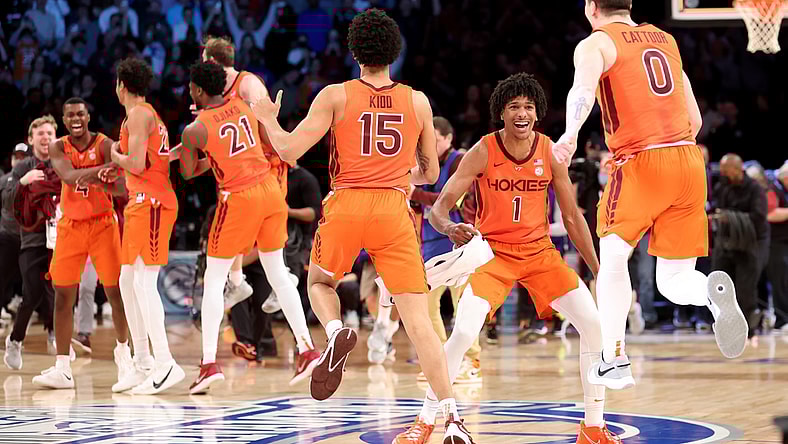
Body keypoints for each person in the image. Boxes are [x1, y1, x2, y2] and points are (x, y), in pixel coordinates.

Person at [252, 9, 473, 443]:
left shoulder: (336, 95)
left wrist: (266, 117)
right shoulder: (417, 100)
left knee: (319, 284)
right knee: (419, 322)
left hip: (347, 203)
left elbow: (290, 150)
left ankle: (336, 333)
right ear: (396, 51)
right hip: (393, 208)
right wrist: (395, 175)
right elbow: (429, 174)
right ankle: (452, 417)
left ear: (354, 52)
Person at [395, 73, 616, 444]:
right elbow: (440, 209)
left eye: (528, 106)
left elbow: (574, 217)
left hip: (540, 254)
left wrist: (599, 270)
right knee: (463, 332)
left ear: (538, 113)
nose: (522, 112)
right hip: (493, 256)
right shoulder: (483, 150)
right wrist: (450, 229)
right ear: (501, 112)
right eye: (514, 106)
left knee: (593, 324)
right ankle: (425, 420)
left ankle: (592, 427)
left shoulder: (549, 152)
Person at [552, 0, 748, 389]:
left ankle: (613, 357)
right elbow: (694, 119)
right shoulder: (665, 40)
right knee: (674, 279)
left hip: (642, 160)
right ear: (629, 5)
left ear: (592, 7)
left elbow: (582, 91)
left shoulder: (597, 42)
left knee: (612, 256)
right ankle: (711, 293)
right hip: (689, 161)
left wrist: (571, 134)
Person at [178, 61, 320, 394]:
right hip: (270, 190)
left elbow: (187, 171)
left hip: (239, 197)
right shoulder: (242, 105)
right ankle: (306, 349)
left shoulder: (194, 129)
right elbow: (256, 146)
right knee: (278, 272)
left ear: (198, 90)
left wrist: (187, 152)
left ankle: (209, 364)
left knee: (213, 279)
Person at [202, 37, 316, 362]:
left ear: (209, 59)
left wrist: (275, 131)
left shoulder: (247, 83)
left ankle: (283, 280)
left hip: (267, 166)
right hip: (239, 173)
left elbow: (265, 112)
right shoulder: (213, 93)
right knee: (240, 237)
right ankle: (242, 281)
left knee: (265, 246)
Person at [31, 97, 132, 389]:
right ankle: (63, 367)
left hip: (102, 224)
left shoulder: (104, 144)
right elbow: (67, 175)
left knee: (115, 292)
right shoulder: (58, 146)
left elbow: (122, 185)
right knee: (63, 296)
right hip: (70, 226)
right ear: (64, 121)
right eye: (70, 115)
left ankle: (124, 355)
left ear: (88, 117)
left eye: (80, 114)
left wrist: (99, 177)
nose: (76, 119)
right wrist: (99, 172)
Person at [106, 57, 185, 394]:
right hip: (142, 202)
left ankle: (165, 363)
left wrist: (115, 156)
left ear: (121, 85)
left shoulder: (139, 114)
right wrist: (122, 168)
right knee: (128, 282)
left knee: (143, 284)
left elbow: (136, 163)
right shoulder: (145, 116)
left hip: (152, 204)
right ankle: (142, 363)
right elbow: (153, 160)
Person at [406, 116, 482, 382]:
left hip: (457, 240)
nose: (429, 144)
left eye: (436, 139)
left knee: (462, 304)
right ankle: (440, 360)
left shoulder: (460, 160)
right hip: (430, 242)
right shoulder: (422, 166)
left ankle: (472, 360)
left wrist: (413, 193)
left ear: (449, 139)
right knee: (426, 306)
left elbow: (450, 200)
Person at [3, 117, 58, 371]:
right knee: (33, 291)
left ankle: (58, 340)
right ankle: (15, 340)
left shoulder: (64, 163)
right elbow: (6, 199)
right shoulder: (22, 167)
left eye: (49, 133)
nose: (45, 137)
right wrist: (25, 182)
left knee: (62, 291)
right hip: (32, 239)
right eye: (40, 134)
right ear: (31, 139)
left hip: (61, 239)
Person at [712, 154, 769, 340]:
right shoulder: (722, 187)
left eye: (726, 171)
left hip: (750, 245)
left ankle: (747, 330)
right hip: (726, 244)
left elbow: (758, 219)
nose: (722, 174)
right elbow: (715, 210)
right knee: (720, 286)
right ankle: (725, 328)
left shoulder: (755, 189)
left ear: (737, 169)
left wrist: (730, 217)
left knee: (745, 289)